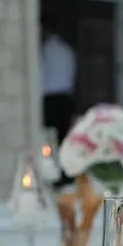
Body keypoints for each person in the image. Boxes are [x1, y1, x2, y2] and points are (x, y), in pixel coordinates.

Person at [40, 16, 76, 188]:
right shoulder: (67, 50)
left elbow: (41, 75)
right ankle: (67, 173)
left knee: (47, 138)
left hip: (50, 98)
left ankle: (51, 172)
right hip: (65, 97)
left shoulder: (45, 51)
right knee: (64, 138)